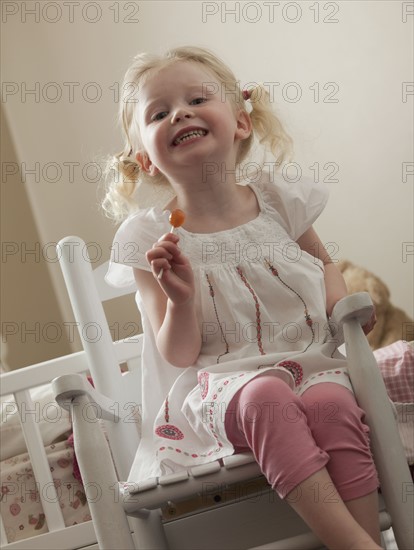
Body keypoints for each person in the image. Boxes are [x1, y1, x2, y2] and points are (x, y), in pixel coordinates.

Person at [104, 46, 381, 550]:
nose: (180, 113)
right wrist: (182, 299)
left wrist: (343, 310)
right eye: (159, 112)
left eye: (196, 98)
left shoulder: (279, 201)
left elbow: (325, 266)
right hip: (222, 390)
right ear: (146, 159)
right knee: (266, 395)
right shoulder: (151, 238)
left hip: (313, 367)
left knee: (330, 405)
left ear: (240, 122)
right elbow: (178, 355)